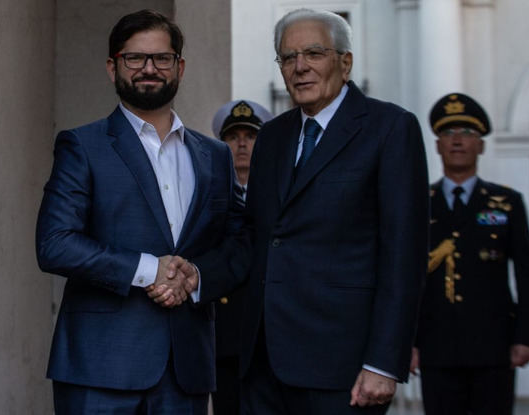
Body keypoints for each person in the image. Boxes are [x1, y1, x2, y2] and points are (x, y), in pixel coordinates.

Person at [35, 9, 245, 414]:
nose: (149, 68)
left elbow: (239, 243)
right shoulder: (83, 145)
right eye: (135, 58)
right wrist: (152, 269)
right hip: (100, 368)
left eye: (161, 58)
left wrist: (196, 276)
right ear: (113, 67)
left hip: (186, 370)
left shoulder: (215, 156)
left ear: (179, 67)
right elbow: (54, 243)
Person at [235, 8, 429, 414]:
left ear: (346, 62)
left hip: (344, 368)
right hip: (262, 363)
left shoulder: (390, 128)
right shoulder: (271, 136)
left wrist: (383, 361)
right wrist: (194, 274)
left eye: (314, 53)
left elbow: (404, 255)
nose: (299, 67)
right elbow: (255, 236)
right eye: (288, 57)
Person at [411, 92, 529, 415]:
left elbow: (527, 272)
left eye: (468, 134)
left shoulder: (505, 202)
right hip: (435, 347)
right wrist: (405, 342)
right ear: (438, 144)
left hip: (493, 348)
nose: (458, 141)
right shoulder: (418, 204)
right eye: (448, 133)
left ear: (481, 145)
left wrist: (528, 335)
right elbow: (405, 278)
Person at [210, 100, 272, 415]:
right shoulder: (209, 199)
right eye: (234, 136)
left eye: (251, 135)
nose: (243, 143)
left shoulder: (278, 199)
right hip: (227, 333)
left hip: (270, 335)